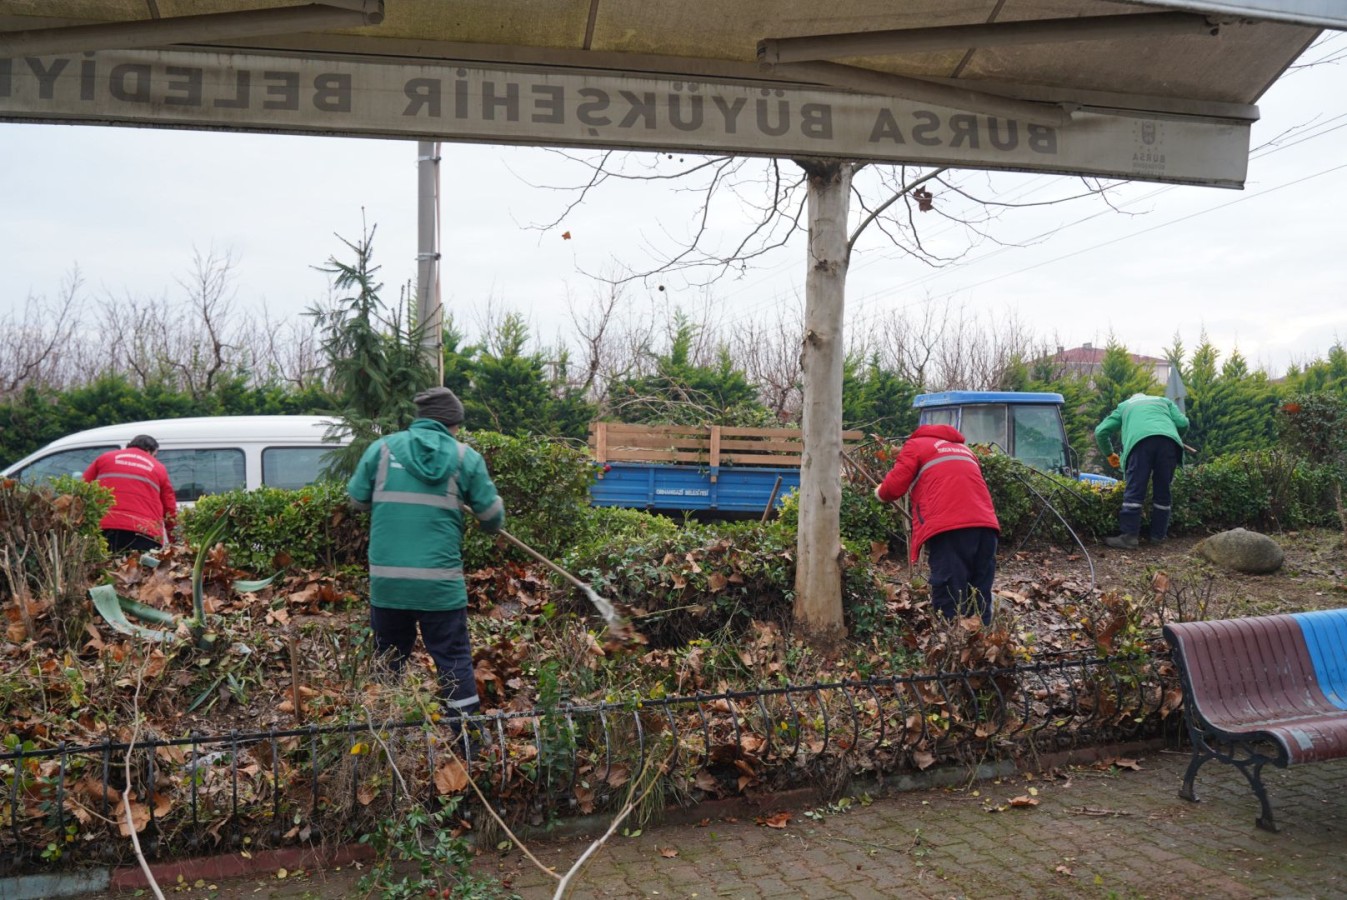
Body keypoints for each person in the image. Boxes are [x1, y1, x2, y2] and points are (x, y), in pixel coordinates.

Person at [346, 387, 505, 749]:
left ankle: (384, 746)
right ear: (453, 423)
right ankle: (468, 745)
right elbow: (493, 518)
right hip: (440, 588)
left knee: (389, 660)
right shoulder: (465, 457)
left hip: (389, 586)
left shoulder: (382, 450)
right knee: (453, 662)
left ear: (419, 418)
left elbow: (356, 499)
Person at [874, 424, 1001, 625]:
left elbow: (894, 487)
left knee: (949, 590)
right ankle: (982, 643)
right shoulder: (965, 450)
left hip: (949, 528)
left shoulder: (916, 445)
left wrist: (879, 492)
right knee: (979, 591)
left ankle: (951, 642)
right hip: (987, 526)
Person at [1095, 392, 1190, 549]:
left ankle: (1129, 537)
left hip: (1140, 444)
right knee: (1163, 490)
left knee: (1135, 489)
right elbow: (1183, 423)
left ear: (1132, 398)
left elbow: (1101, 431)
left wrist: (1109, 453)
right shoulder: (1164, 401)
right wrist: (1172, 435)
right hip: (1169, 444)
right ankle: (1158, 536)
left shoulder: (1125, 406)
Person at [82, 435, 177, 553]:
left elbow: (82, 488)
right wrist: (173, 539)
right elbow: (169, 508)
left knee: (104, 568)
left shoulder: (105, 458)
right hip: (144, 532)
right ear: (150, 451)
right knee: (140, 570)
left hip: (105, 527)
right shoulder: (158, 467)